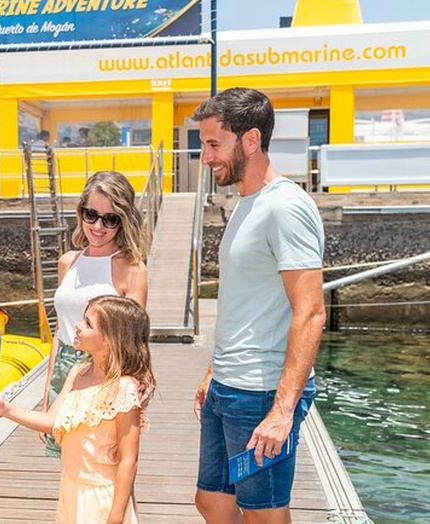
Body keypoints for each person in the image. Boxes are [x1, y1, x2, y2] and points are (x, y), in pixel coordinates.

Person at [190, 87, 326, 524]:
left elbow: (310, 312)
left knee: (263, 514)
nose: (206, 158)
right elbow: (245, 300)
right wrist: (214, 369)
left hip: (262, 394)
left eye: (214, 144)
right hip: (228, 387)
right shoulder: (248, 204)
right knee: (212, 502)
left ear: (251, 140)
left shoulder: (286, 207)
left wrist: (282, 411)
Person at [0, 295, 156, 524]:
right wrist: (3, 408)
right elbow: (51, 421)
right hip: (71, 491)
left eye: (88, 323)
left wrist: (116, 516)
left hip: (102, 497)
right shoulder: (78, 372)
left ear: (110, 339)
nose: (78, 325)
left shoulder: (123, 388)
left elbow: (129, 460)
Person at [42, 170, 148, 457]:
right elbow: (59, 333)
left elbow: (134, 341)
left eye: (110, 218)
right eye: (91, 214)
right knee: (70, 464)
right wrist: (47, 395)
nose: (98, 225)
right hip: (65, 369)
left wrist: (137, 387)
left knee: (107, 465)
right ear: (81, 212)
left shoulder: (132, 269)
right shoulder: (68, 262)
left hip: (106, 373)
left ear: (123, 221)